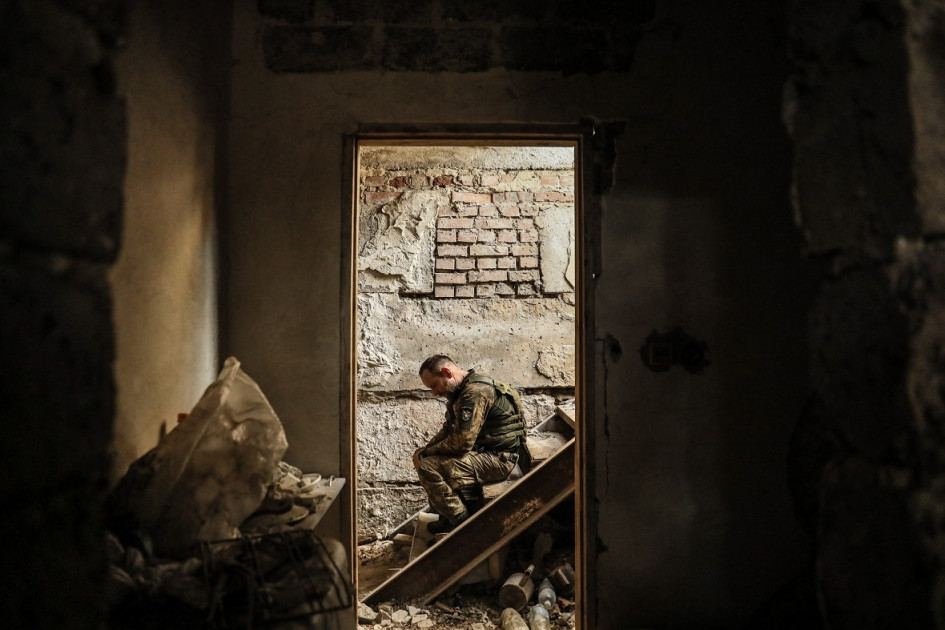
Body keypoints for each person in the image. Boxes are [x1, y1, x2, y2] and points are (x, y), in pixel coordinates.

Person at [413, 354, 530, 534]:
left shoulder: (475, 393)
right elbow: (448, 430)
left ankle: (461, 523)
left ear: (446, 372)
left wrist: (427, 455)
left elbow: (462, 443)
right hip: (485, 452)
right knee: (426, 458)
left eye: (434, 385)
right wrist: (425, 451)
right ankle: (447, 515)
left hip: (500, 459)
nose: (434, 392)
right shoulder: (460, 392)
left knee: (428, 468)